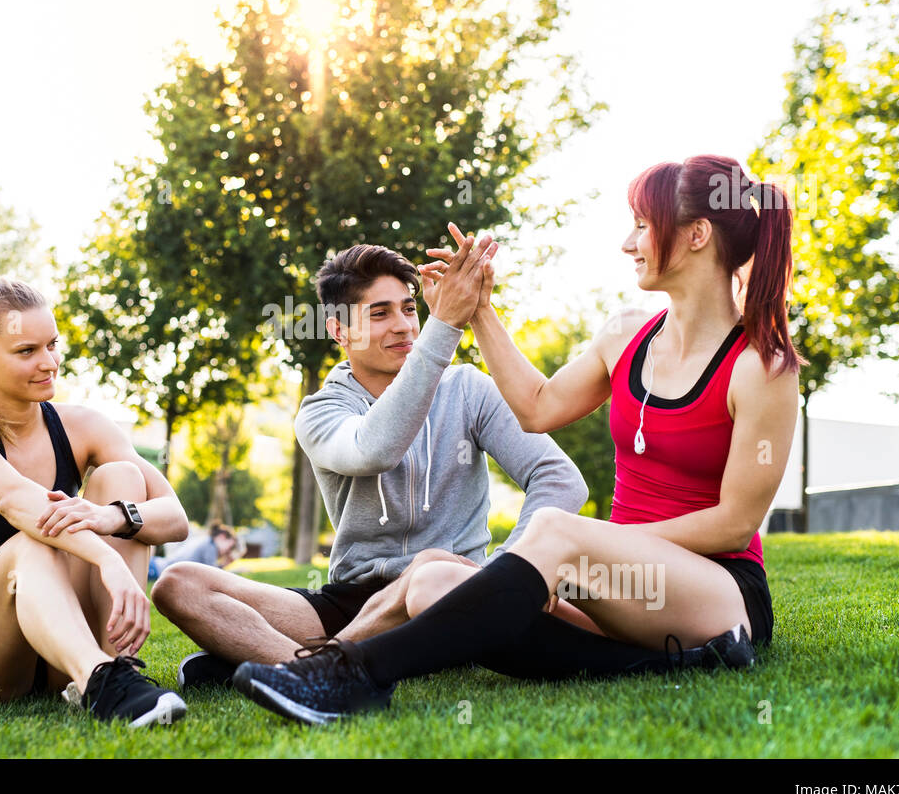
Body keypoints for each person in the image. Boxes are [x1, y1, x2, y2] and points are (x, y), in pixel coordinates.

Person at [233, 154, 802, 724]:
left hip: (718, 593)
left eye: (643, 225)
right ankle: (660, 665)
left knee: (554, 530)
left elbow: (734, 523)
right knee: (432, 581)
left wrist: (579, 551)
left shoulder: (762, 366)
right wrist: (477, 308)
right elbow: (537, 408)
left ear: (697, 234)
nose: (628, 242)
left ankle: (353, 674)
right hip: (611, 583)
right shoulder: (627, 334)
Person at [152, 242, 588, 691]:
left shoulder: (468, 389)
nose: (404, 326)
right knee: (178, 583)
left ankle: (297, 668)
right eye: (379, 314)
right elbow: (375, 449)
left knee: (430, 563)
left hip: (448, 588)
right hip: (352, 602)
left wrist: (505, 572)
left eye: (408, 308)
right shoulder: (320, 413)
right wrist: (444, 328)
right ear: (340, 332)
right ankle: (323, 670)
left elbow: (559, 479)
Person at [0, 277, 190, 727]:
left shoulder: (83, 426)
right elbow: (17, 502)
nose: (49, 363)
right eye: (26, 352)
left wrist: (111, 516)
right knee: (31, 543)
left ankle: (115, 667)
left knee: (122, 477)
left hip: (53, 649)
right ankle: (101, 682)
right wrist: (109, 561)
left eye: (52, 346)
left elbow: (175, 518)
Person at [147, 522, 238, 581]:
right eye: (230, 547)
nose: (228, 551)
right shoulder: (211, 546)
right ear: (222, 536)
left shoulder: (205, 540)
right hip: (156, 571)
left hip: (155, 565)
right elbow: (213, 576)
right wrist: (225, 564)